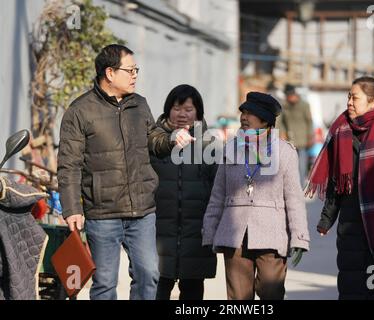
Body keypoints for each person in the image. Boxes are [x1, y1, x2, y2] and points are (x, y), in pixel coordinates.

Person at [57, 44, 194, 300]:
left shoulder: (139, 104)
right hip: (102, 212)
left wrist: (172, 138)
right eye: (129, 70)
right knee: (105, 283)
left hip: (142, 210)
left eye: (135, 70)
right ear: (110, 73)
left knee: (148, 273)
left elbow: (153, 139)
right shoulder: (79, 111)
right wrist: (72, 208)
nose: (135, 75)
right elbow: (69, 165)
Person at [306, 75, 374, 299]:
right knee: (355, 288)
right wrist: (327, 218)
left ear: (373, 102)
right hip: (352, 226)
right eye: (348, 97)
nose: (349, 102)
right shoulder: (342, 131)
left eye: (354, 98)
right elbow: (337, 182)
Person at [202, 92, 310, 300]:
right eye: (243, 111)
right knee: (239, 298)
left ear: (266, 120)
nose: (243, 117)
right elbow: (218, 194)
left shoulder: (285, 152)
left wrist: (299, 237)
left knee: (272, 292)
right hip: (234, 235)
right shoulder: (231, 148)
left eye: (250, 113)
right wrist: (209, 230)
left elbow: (294, 199)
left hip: (271, 234)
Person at [151, 85, 217, 300]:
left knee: (192, 295)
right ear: (168, 109)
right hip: (158, 232)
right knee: (157, 290)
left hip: (195, 234)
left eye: (189, 109)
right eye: (177, 108)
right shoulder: (154, 142)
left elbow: (218, 190)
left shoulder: (209, 145)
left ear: (198, 112)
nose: (182, 114)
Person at [278, 84, 313, 187]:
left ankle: (300, 186)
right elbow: (281, 122)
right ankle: (291, 185)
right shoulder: (284, 106)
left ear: (294, 94)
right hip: (290, 140)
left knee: (301, 165)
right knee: (290, 165)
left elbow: (309, 122)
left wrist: (310, 136)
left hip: (302, 141)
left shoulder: (304, 105)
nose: (289, 98)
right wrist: (282, 133)